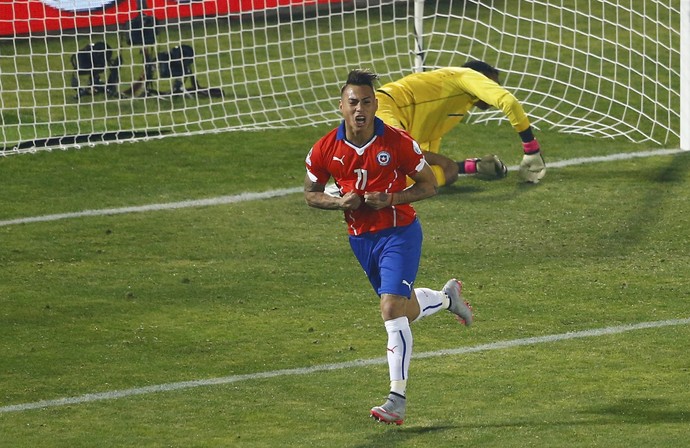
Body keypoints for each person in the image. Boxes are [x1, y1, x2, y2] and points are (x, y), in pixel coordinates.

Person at [304, 68, 474, 426]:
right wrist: (338, 203)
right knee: (403, 309)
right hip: (361, 239)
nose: (360, 109)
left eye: (367, 101)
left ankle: (396, 398)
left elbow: (429, 185)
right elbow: (310, 194)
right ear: (341, 106)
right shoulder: (325, 148)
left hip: (400, 232)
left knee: (390, 308)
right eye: (353, 102)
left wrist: (392, 197)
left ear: (376, 104)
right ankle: (447, 299)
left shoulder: (397, 142)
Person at [375, 60, 546, 185]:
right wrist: (532, 150)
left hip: (388, 114)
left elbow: (425, 158)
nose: (496, 88)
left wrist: (464, 167)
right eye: (493, 83)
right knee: (388, 177)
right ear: (482, 77)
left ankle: (471, 166)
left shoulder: (451, 103)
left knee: (439, 175)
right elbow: (509, 102)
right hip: (383, 108)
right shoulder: (466, 75)